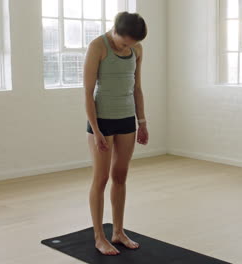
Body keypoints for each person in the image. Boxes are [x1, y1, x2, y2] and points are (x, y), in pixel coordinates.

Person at [83, 11, 148, 256]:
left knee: (120, 177)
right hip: (102, 120)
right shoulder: (97, 47)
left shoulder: (137, 49)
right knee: (101, 179)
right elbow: (88, 93)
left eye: (132, 43)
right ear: (115, 31)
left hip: (126, 119)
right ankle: (99, 236)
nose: (128, 47)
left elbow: (137, 87)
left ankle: (118, 231)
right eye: (124, 43)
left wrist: (142, 121)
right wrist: (96, 129)